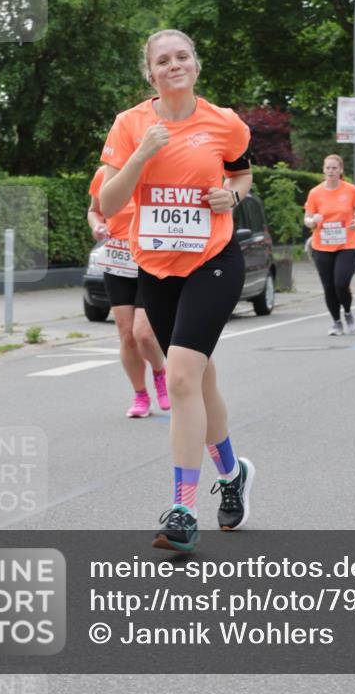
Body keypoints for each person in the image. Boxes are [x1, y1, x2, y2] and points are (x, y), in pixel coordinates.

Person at [99, 29, 254, 552]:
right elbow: (110, 204)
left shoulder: (223, 122)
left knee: (183, 376)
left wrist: (229, 196)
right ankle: (232, 475)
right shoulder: (130, 125)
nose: (173, 65)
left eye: (182, 56)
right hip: (156, 269)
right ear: (150, 72)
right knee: (201, 384)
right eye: (162, 60)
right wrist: (141, 155)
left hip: (213, 261)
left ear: (196, 64)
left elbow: (242, 174)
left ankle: (183, 510)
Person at [87, 166, 168, 417]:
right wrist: (97, 226)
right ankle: (140, 395)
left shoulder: (155, 171)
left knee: (143, 334)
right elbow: (94, 211)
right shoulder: (105, 174)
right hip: (117, 260)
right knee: (126, 335)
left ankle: (159, 373)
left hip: (150, 260)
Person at [304, 155, 355, 334]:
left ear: (341, 170)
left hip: (347, 244)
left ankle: (348, 312)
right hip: (322, 246)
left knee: (341, 283)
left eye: (334, 168)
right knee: (328, 287)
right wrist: (312, 220)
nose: (331, 171)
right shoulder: (315, 193)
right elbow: (307, 218)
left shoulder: (351, 190)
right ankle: (336, 322)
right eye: (328, 168)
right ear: (323, 170)